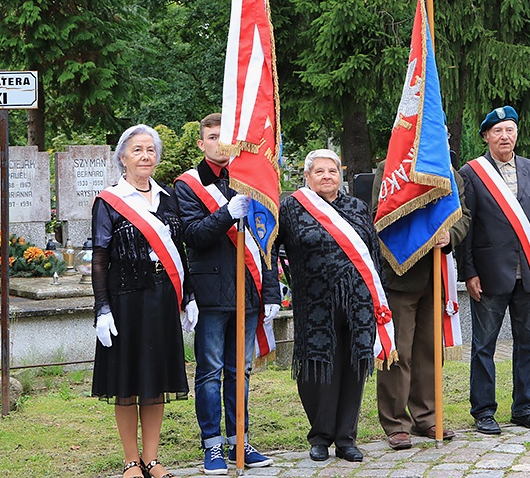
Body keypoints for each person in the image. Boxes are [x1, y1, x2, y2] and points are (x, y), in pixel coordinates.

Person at [174, 112, 281, 474]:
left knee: (241, 371)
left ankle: (241, 441)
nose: (219, 143)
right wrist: (226, 214)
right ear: (201, 142)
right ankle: (212, 446)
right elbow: (194, 235)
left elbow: (266, 242)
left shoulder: (250, 179)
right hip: (209, 292)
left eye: (225, 136)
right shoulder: (187, 185)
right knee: (210, 371)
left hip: (248, 290)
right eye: (212, 137)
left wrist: (270, 292)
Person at [277, 149, 395, 463]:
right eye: (319, 171)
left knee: (353, 367)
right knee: (318, 367)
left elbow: (372, 253)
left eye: (332, 171)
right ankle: (320, 436)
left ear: (340, 176)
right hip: (315, 302)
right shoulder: (291, 208)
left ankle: (346, 438)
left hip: (358, 301)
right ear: (307, 176)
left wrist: (376, 297)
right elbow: (271, 248)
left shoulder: (357, 207)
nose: (327, 176)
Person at [90, 124, 188, 478]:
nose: (145, 156)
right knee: (127, 383)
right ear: (122, 157)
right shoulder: (109, 201)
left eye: (150, 150)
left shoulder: (167, 197)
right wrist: (102, 307)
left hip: (161, 301)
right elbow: (100, 259)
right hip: (125, 302)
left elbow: (180, 250)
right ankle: (131, 461)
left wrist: (187, 295)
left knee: (154, 380)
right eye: (137, 150)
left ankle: (153, 458)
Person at [456, 105, 530, 435]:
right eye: (497, 131)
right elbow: (465, 227)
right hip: (489, 274)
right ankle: (483, 411)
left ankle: (526, 408)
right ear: (486, 136)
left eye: (509, 130)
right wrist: (468, 272)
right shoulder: (472, 173)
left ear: (516, 134)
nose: (504, 136)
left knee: (529, 344)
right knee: (484, 346)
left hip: (527, 274)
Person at [372, 159, 470, 449]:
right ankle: (395, 423)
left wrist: (450, 234)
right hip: (400, 272)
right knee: (397, 351)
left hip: (436, 273)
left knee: (429, 350)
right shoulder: (388, 168)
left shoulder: (450, 172)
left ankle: (426, 417)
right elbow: (381, 215)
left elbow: (463, 214)